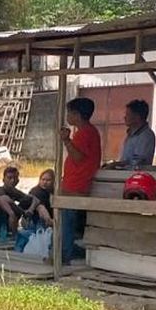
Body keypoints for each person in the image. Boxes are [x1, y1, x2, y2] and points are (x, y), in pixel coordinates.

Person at [59, 97, 102, 262]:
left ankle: (63, 255)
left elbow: (78, 157)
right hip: (75, 182)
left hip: (76, 185)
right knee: (67, 222)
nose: (67, 116)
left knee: (66, 223)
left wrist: (66, 140)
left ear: (77, 114)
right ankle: (65, 252)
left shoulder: (84, 133)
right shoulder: (87, 132)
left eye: (69, 112)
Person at [103, 99, 156, 170]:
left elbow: (138, 161)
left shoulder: (146, 136)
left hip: (136, 175)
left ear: (137, 117)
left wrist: (117, 164)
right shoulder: (130, 134)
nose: (125, 117)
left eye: (128, 114)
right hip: (125, 174)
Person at [0, 165, 32, 237]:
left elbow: (32, 199)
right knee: (1, 203)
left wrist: (31, 209)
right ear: (3, 180)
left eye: (15, 178)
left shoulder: (15, 192)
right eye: (9, 178)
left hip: (7, 224)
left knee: (26, 201)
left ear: (18, 180)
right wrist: (22, 212)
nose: (12, 181)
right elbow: (7, 202)